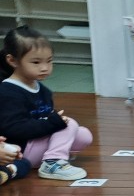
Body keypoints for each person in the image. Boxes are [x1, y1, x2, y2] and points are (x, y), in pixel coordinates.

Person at [0, 26, 93, 181]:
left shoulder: (42, 90)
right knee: (69, 124)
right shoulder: (7, 91)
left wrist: (52, 121)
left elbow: (43, 120)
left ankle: (55, 156)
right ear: (12, 60)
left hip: (35, 142)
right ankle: (52, 163)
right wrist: (52, 123)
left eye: (49, 61)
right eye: (36, 62)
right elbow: (14, 129)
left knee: (83, 135)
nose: (45, 68)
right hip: (21, 149)